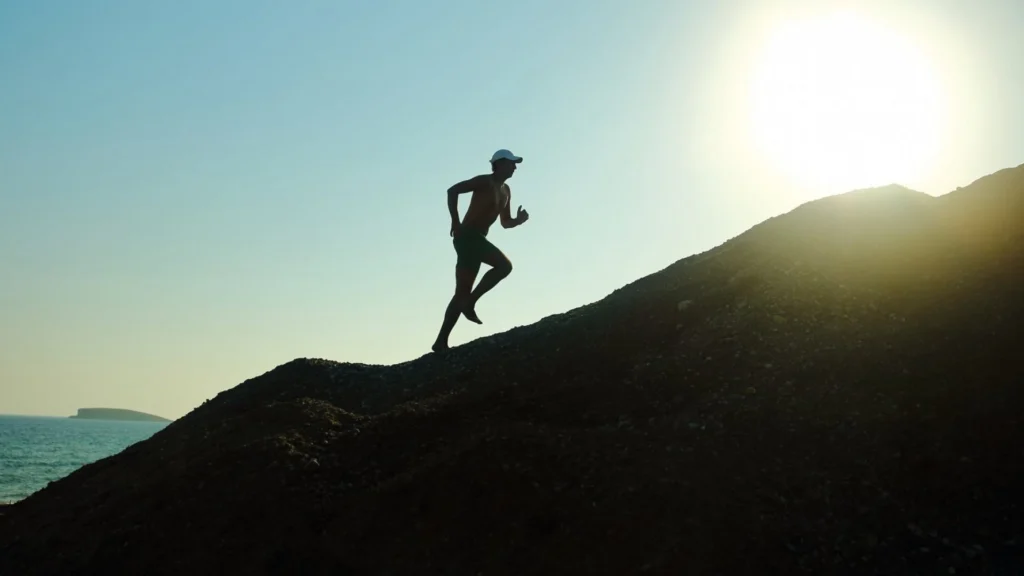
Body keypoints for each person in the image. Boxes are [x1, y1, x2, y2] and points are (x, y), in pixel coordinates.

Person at [431, 149, 530, 353]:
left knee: (461, 292)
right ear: (499, 164)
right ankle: (470, 302)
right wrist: (455, 222)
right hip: (467, 237)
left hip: (477, 240)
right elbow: (452, 190)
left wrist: (518, 221)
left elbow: (505, 222)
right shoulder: (485, 181)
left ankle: (440, 342)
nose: (515, 167)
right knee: (504, 266)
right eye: (512, 163)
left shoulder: (506, 190)